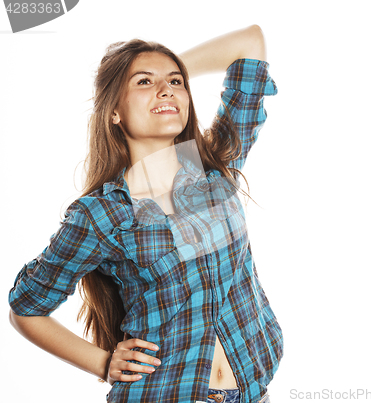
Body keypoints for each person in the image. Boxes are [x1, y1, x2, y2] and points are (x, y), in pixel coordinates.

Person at [8, 25, 283, 403]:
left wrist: (159, 81)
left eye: (175, 82)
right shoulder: (103, 214)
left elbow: (250, 43)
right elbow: (26, 308)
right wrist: (102, 363)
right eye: (144, 82)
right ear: (114, 111)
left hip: (254, 394)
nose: (166, 89)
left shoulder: (215, 167)